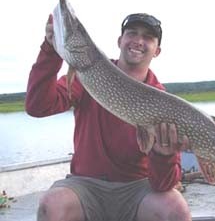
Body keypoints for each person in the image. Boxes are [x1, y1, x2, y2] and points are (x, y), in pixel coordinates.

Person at [26, 12, 191, 221]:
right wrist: (50, 50)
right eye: (132, 33)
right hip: (85, 186)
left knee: (176, 210)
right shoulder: (85, 75)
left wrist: (163, 155)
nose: (138, 41)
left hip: (136, 189)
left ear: (157, 51)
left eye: (148, 37)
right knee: (52, 204)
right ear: (120, 41)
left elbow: (162, 185)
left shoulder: (163, 102)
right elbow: (37, 106)